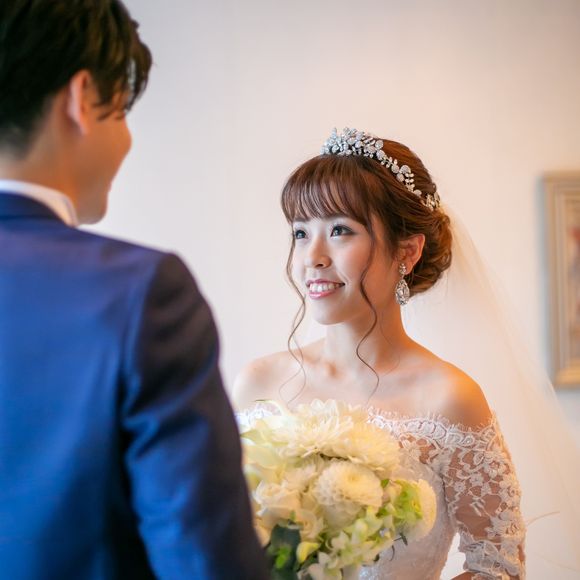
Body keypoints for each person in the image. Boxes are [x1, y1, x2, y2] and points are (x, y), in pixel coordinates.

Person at [234, 128, 579, 578]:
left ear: (408, 250)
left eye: (339, 230)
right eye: (300, 232)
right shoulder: (258, 384)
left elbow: (497, 566)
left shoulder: (449, 399)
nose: (312, 256)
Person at [0, 1, 267, 579]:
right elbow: (204, 561)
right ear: (80, 99)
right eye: (122, 111)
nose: (125, 140)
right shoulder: (140, 293)